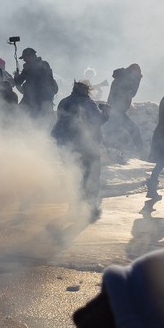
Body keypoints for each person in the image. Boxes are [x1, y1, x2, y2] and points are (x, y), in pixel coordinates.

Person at [53, 79, 110, 221]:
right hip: (85, 145)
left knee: (74, 175)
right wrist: (106, 112)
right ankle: (91, 209)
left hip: (65, 145)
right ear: (86, 91)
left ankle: (74, 207)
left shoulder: (64, 102)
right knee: (91, 176)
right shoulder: (87, 103)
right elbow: (97, 120)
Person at [106, 63, 144, 154]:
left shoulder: (122, 76)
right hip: (116, 110)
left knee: (114, 132)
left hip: (114, 109)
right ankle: (142, 152)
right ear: (133, 71)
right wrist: (137, 79)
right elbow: (131, 93)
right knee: (134, 129)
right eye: (138, 72)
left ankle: (111, 153)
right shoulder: (127, 79)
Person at [14, 46, 59, 122]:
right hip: (45, 99)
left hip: (34, 100)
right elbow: (19, 81)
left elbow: (19, 82)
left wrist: (25, 72)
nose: (24, 60)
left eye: (25, 57)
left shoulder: (32, 67)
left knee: (25, 117)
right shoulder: (44, 64)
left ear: (30, 56)